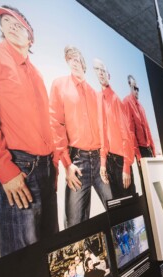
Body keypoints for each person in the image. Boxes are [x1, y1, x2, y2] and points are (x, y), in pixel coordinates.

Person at [0, 5, 58, 257]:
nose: (13, 24)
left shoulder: (35, 73)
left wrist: (54, 167)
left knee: (50, 250)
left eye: (20, 22)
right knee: (23, 256)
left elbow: (44, 125)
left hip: (46, 169)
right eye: (7, 21)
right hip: (18, 168)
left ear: (31, 36)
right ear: (1, 28)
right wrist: (4, 169)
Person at [50, 46, 112, 227]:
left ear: (83, 64)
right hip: (78, 162)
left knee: (117, 209)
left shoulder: (95, 94)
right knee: (75, 223)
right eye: (70, 59)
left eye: (77, 59)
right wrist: (67, 164)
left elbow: (104, 130)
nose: (74, 63)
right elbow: (55, 125)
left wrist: (104, 161)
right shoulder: (59, 85)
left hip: (100, 163)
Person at [93, 58, 135, 198]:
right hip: (108, 161)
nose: (100, 73)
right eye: (97, 70)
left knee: (129, 205)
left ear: (108, 75)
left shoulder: (116, 100)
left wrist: (126, 166)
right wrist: (103, 163)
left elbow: (127, 135)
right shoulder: (98, 98)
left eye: (103, 70)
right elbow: (102, 133)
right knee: (117, 207)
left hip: (120, 162)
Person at [123, 75, 156, 162]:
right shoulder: (127, 102)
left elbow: (148, 129)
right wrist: (138, 154)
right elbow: (131, 131)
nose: (137, 91)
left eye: (138, 89)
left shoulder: (141, 107)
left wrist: (153, 150)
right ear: (129, 85)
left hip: (148, 149)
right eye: (134, 88)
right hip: (140, 150)